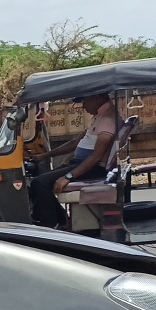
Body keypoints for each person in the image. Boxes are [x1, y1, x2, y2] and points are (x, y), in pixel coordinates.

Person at [30, 93, 118, 228]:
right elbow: (75, 142)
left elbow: (96, 157)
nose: (83, 106)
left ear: (97, 98)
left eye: (84, 101)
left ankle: (49, 226)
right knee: (38, 182)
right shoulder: (99, 116)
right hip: (81, 164)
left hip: (91, 168)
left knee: (41, 183)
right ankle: (62, 221)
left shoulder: (107, 120)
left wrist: (68, 176)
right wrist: (46, 155)